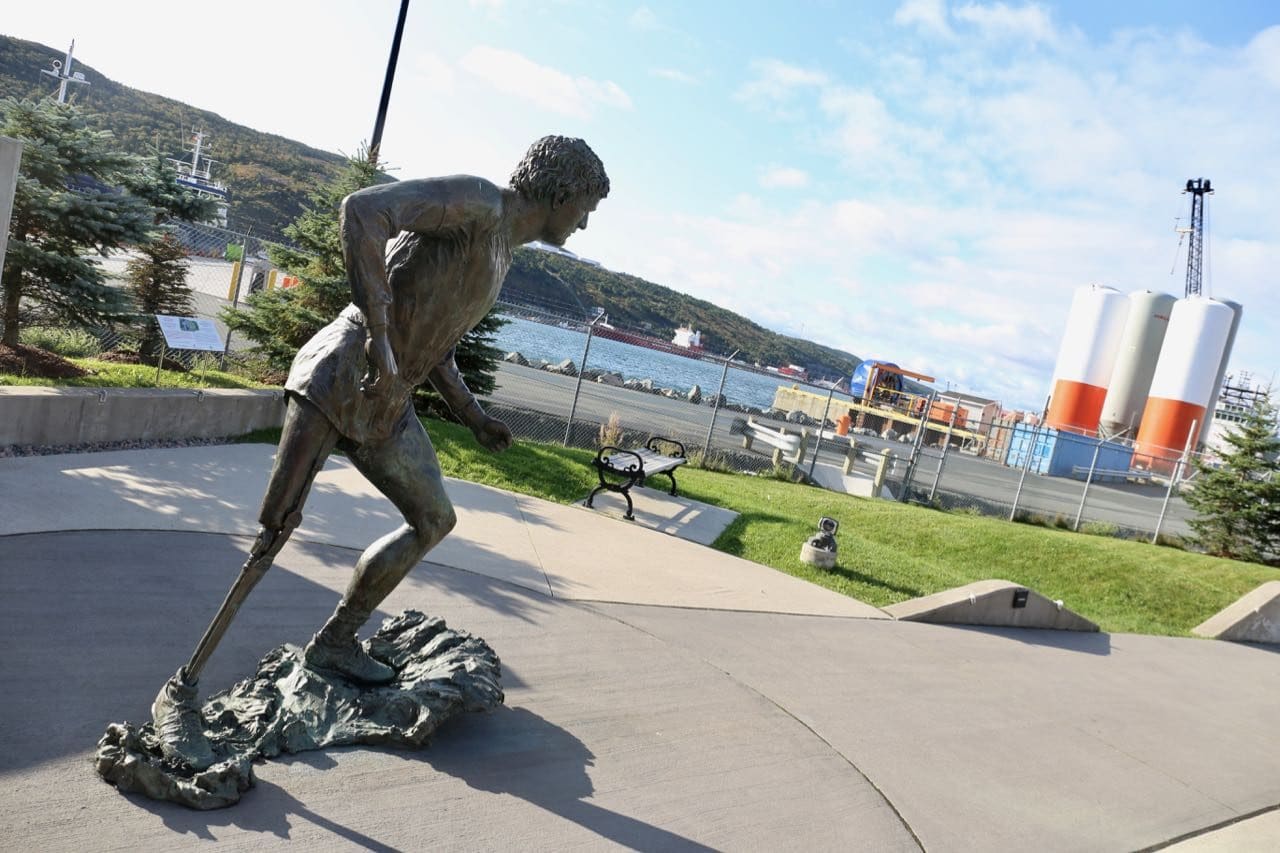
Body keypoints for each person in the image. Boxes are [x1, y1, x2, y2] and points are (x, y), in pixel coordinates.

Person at [151, 136, 609, 770]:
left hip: (388, 400)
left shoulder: (501, 249)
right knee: (274, 532)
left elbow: (436, 338)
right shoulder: (480, 204)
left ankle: (336, 642)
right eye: (586, 208)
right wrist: (379, 332)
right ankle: (180, 691)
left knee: (434, 519)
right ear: (561, 193)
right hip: (339, 373)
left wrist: (474, 417)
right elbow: (362, 210)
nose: (584, 223)